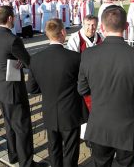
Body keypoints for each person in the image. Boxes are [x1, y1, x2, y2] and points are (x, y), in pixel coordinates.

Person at [78, 5, 134, 167]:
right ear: (127, 27)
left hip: (99, 126)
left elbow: (82, 89)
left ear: (101, 27)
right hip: (128, 129)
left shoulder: (88, 55)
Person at [0, 6, 47, 167]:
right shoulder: (13, 39)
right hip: (13, 89)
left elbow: (4, 57)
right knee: (22, 127)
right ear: (9, 18)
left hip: (0, 86)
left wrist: (17, 62)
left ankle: (13, 155)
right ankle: (27, 163)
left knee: (9, 124)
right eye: (13, 16)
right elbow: (29, 61)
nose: (14, 19)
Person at [27, 19, 88, 167]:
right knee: (71, 149)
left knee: (53, 148)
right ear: (62, 32)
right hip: (71, 111)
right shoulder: (75, 58)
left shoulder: (35, 59)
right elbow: (83, 85)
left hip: (49, 110)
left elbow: (32, 89)